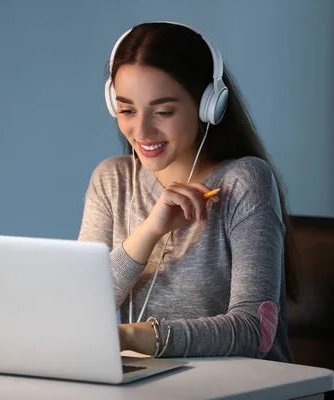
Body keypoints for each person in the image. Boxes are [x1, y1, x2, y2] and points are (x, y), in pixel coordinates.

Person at [78, 21, 298, 363]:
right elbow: (81, 308)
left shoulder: (244, 180)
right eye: (127, 110)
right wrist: (149, 231)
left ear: (209, 105)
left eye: (164, 111)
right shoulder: (111, 180)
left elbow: (256, 330)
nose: (142, 131)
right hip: (150, 387)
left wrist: (136, 337)